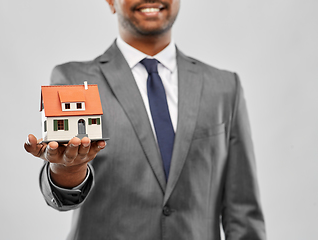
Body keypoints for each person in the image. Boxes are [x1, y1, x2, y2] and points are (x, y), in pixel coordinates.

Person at [25, 0, 266, 239]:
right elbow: (61, 196)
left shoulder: (224, 88)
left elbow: (243, 212)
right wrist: (68, 170)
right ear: (111, 2)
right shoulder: (74, 81)